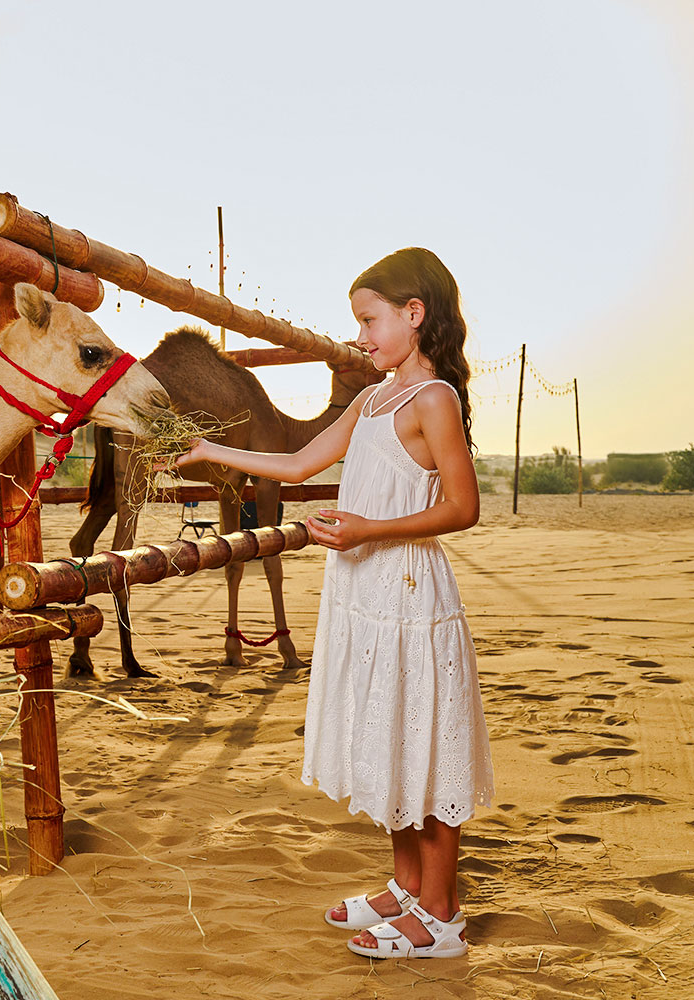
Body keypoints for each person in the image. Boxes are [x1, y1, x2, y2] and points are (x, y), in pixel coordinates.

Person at [168, 247, 494, 959]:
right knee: (389, 734)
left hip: (408, 590)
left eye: (369, 321)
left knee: (424, 744)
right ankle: (407, 887)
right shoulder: (375, 398)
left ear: (415, 316)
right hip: (363, 592)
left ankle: (441, 916)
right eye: (357, 323)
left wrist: (370, 529)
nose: (360, 338)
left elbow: (464, 507)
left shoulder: (432, 399)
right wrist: (207, 451)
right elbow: (297, 461)